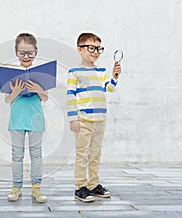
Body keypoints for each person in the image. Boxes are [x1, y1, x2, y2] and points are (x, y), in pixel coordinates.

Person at [67, 32, 121, 202]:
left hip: (100, 120)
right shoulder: (74, 72)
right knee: (82, 154)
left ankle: (93, 184)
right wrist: (73, 119)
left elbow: (110, 89)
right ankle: (80, 186)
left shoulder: (101, 71)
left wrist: (114, 77)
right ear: (80, 49)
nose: (96, 52)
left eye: (99, 49)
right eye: (92, 48)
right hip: (83, 120)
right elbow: (70, 96)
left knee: (95, 153)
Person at [4, 33, 48, 203]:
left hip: (36, 119)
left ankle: (36, 187)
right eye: (22, 53)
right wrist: (14, 92)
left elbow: (45, 98)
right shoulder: (11, 74)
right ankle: (16, 187)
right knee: (17, 155)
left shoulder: (41, 74)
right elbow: (7, 99)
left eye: (30, 53)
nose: (26, 57)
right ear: (16, 53)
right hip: (16, 120)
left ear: (36, 52)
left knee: (36, 154)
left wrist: (38, 89)